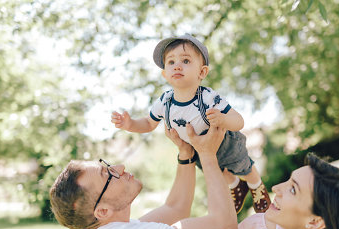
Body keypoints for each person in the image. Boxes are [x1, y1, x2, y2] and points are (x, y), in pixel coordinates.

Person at [111, 33, 271, 214]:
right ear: (165, 74)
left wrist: (223, 119)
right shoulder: (165, 101)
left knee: (244, 167)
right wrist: (130, 124)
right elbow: (148, 123)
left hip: (226, 145)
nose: (177, 65)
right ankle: (237, 187)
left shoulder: (209, 97)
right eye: (171, 62)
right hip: (199, 151)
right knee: (221, 174)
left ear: (202, 72)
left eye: (186, 61)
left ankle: (256, 186)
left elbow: (239, 121)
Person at [49, 124, 238, 229]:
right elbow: (224, 226)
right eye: (107, 175)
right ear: (103, 210)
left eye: (106, 166)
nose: (119, 167)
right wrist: (207, 154)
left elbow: (175, 209)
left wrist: (186, 153)